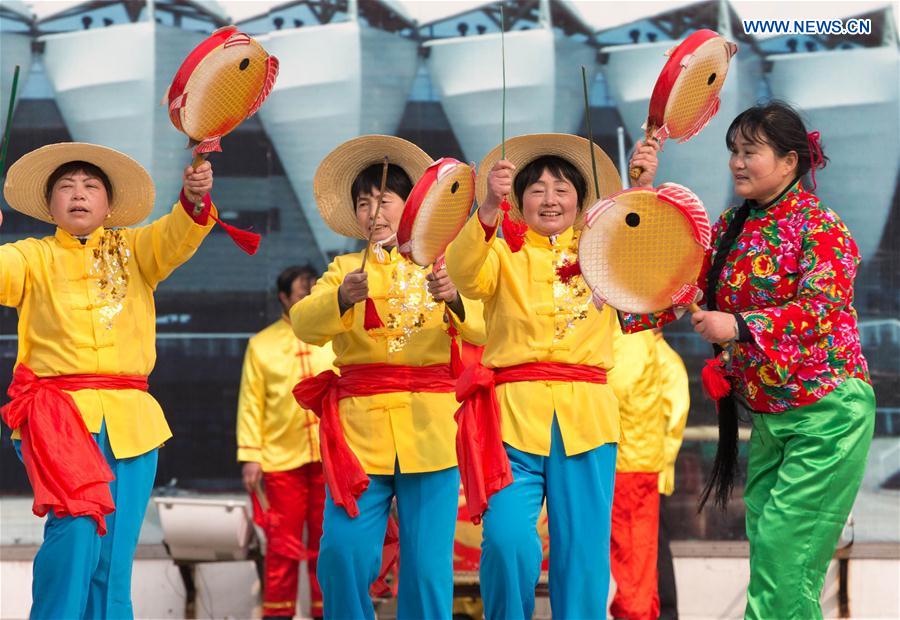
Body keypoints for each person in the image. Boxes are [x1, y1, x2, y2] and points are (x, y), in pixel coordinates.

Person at [625, 101, 875, 619]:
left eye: (750, 152)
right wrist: (642, 194)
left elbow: (821, 312)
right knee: (774, 553)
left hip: (827, 414)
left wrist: (738, 325)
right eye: (733, 151)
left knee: (785, 553)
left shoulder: (820, 226)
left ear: (789, 161)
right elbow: (676, 285)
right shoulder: (731, 225)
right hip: (770, 417)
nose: (737, 162)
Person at [0, 142, 216, 619]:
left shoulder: (136, 249)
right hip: (57, 418)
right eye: (66, 187)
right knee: (75, 532)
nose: (78, 194)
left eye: (90, 186)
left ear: (110, 204)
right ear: (49, 204)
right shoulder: (28, 256)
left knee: (114, 557)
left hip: (131, 422)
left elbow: (178, 233)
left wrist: (196, 201)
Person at [291, 135, 486, 620]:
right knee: (342, 555)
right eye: (364, 203)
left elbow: (488, 326)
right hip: (360, 435)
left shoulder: (443, 268)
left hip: (432, 432)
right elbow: (303, 323)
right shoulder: (342, 270)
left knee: (426, 568)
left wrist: (455, 298)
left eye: (385, 201)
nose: (375, 213)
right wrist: (340, 299)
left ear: (413, 206)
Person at [445, 133, 630, 619]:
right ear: (519, 200)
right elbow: (463, 273)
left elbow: (652, 255)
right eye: (538, 189)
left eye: (563, 188)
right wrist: (487, 206)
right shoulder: (501, 252)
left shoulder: (603, 252)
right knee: (506, 542)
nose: (550, 198)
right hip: (511, 422)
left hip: (586, 420)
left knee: (583, 558)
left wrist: (642, 188)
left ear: (581, 200)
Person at [237, 265, 335, 620]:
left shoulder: (334, 336)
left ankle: (330, 612)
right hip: (281, 460)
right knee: (283, 546)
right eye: (301, 295)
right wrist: (251, 456)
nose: (308, 300)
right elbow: (251, 403)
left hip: (329, 458)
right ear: (283, 298)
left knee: (330, 544)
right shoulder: (261, 345)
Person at [607, 330, 664, 620]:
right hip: (637, 459)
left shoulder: (630, 335)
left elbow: (618, 386)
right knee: (639, 559)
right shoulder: (639, 335)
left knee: (630, 559)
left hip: (628, 461)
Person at [655, 331, 690, 620]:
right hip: (630, 470)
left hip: (648, 473)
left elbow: (674, 425)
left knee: (654, 553)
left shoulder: (667, 362)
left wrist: (661, 469)